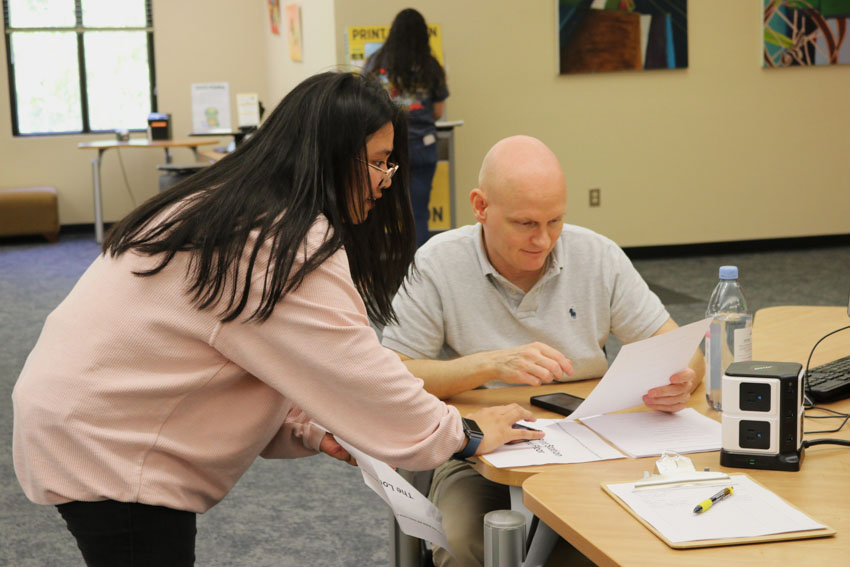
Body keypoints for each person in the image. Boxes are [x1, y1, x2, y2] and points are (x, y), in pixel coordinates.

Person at [11, 73, 543, 567]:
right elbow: (359, 370)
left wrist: (311, 425)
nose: (386, 181)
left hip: (86, 417)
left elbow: (244, 352)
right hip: (111, 444)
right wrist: (468, 433)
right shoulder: (279, 240)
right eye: (379, 161)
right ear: (333, 156)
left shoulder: (231, 207)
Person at [380, 135, 705, 567]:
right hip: (481, 453)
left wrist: (682, 378)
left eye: (555, 221)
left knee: (623, 543)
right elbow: (394, 375)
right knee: (463, 542)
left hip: (594, 448)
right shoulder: (438, 263)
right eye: (525, 224)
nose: (544, 239)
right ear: (480, 207)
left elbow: (679, 349)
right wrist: (491, 363)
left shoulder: (597, 256)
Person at [364, 8, 448, 248]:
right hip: (423, 147)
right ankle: (418, 270)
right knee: (418, 213)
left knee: (377, 209)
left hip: (384, 151)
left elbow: (366, 105)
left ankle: (377, 267)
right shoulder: (431, 66)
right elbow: (438, 112)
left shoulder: (376, 63)